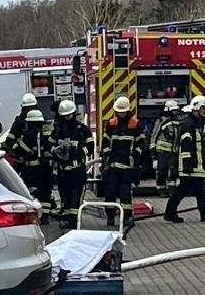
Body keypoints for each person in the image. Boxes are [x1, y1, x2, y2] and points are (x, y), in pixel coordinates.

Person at [165, 101, 205, 223]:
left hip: (195, 165)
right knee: (192, 190)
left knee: (191, 190)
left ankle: (171, 213)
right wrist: (187, 163)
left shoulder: (195, 124)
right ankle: (204, 214)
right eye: (203, 108)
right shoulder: (188, 124)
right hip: (190, 165)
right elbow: (185, 145)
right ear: (195, 109)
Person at [49, 99, 95, 230]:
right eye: (65, 116)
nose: (67, 118)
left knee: (75, 196)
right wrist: (55, 151)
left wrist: (80, 151)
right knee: (65, 196)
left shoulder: (82, 129)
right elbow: (50, 144)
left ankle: (73, 221)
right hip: (63, 170)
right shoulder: (58, 130)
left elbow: (90, 146)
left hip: (77, 170)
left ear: (74, 114)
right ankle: (67, 218)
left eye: (69, 115)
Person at [100, 96, 144, 228]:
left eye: (123, 111)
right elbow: (106, 141)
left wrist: (136, 155)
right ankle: (110, 218)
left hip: (128, 164)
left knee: (125, 192)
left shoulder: (135, 124)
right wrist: (107, 155)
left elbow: (140, 142)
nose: (121, 113)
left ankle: (127, 217)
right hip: (113, 164)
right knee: (110, 192)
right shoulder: (111, 123)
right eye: (119, 111)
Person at [13, 109, 54, 224]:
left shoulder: (26, 136)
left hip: (30, 169)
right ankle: (45, 217)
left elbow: (17, 151)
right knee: (45, 192)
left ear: (29, 123)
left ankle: (33, 216)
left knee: (29, 193)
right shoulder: (47, 136)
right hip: (45, 168)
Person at [149, 100, 181, 197]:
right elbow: (154, 135)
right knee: (162, 170)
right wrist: (153, 150)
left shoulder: (178, 121)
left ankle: (172, 189)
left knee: (173, 171)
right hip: (162, 151)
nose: (175, 112)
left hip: (174, 151)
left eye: (176, 110)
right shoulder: (161, 121)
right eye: (174, 110)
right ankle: (161, 189)